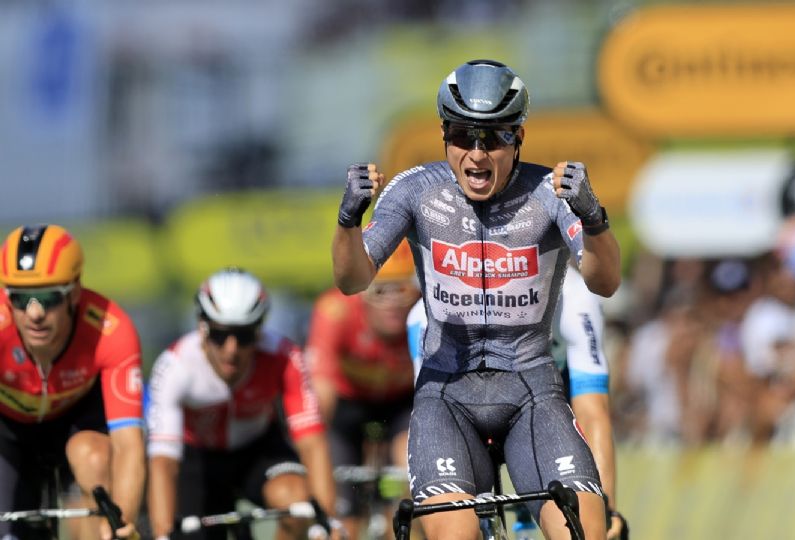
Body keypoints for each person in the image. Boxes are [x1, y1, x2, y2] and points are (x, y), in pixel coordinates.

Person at [332, 59, 620, 540]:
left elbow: (605, 281)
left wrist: (595, 219)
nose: (477, 153)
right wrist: (347, 224)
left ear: (519, 137)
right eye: (463, 136)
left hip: (531, 389)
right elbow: (352, 280)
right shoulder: (414, 191)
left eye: (496, 137)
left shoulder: (550, 193)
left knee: (584, 532)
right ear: (445, 134)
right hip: (446, 393)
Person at [408, 263, 625, 538]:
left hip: (551, 395)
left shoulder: (575, 295)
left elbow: (592, 410)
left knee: (583, 525)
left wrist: (608, 508)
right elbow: (427, 421)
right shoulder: (425, 314)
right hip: (462, 401)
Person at [146, 268, 337, 540]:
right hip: (197, 458)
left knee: (297, 504)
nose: (231, 349)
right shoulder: (175, 366)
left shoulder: (285, 357)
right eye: (220, 334)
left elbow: (312, 442)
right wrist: (163, 534)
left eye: (244, 335)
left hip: (256, 450)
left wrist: (326, 522)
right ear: (202, 327)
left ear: (259, 330)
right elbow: (163, 462)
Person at [0, 224, 145, 540]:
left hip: (76, 421)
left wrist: (123, 523)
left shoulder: (111, 328)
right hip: (9, 429)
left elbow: (128, 444)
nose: (35, 313)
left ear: (75, 291)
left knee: (93, 459)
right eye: (21, 299)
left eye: (49, 297)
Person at [305, 242, 419, 540]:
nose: (393, 302)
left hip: (401, 404)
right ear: (361, 293)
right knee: (342, 522)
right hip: (347, 405)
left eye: (402, 289)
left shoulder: (426, 309)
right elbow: (321, 397)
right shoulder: (335, 311)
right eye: (380, 291)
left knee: (410, 475)